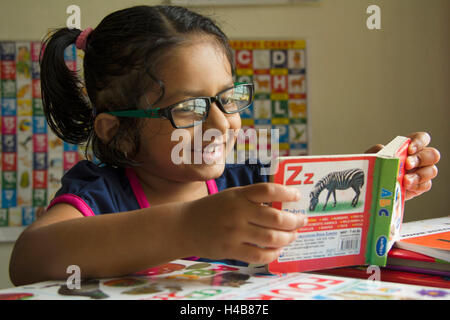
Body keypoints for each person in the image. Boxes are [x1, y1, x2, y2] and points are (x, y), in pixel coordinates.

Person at [9, 5, 440, 286]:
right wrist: (188, 226)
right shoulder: (99, 192)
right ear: (114, 129)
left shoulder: (253, 182)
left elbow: (324, 214)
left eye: (227, 98)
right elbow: (28, 259)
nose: (221, 123)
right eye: (188, 108)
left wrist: (378, 179)